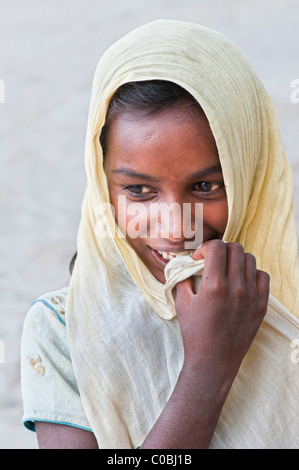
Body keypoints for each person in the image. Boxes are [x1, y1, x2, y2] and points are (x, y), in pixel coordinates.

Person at [21, 20, 299, 449]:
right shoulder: (63, 330)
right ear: (101, 184)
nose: (174, 226)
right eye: (138, 190)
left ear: (251, 174)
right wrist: (207, 369)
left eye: (206, 186)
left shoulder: (290, 314)